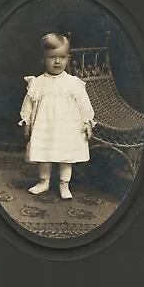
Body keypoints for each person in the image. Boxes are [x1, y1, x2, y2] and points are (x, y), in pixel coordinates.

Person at [18, 33, 96, 199]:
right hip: (44, 126)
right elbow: (28, 104)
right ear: (43, 59)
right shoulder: (37, 82)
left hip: (67, 127)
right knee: (44, 154)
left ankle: (64, 184)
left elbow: (84, 104)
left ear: (68, 58)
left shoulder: (73, 83)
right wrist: (27, 122)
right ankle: (44, 182)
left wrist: (88, 122)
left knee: (66, 156)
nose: (57, 62)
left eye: (61, 57)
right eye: (52, 57)